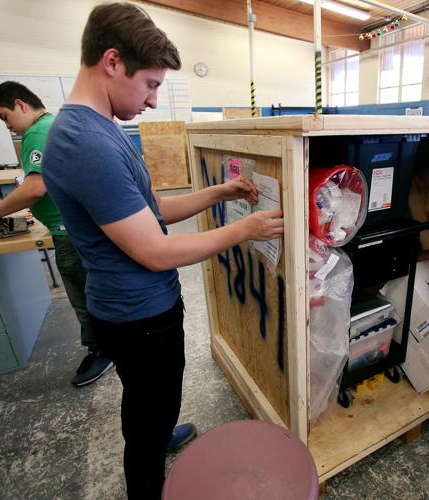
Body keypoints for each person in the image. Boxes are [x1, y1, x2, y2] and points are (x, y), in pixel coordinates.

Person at [41, 3, 284, 499]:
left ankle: (157, 426)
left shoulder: (105, 128)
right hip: (138, 318)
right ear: (111, 61)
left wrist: (218, 192)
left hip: (141, 311)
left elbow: (151, 213)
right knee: (146, 422)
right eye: (150, 84)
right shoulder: (86, 143)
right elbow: (154, 250)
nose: (153, 101)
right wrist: (245, 230)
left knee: (151, 402)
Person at [0, 81, 113, 387]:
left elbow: (36, 187)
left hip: (69, 232)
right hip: (72, 226)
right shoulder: (52, 125)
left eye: (5, 116)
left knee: (82, 297)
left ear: (21, 104)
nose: (8, 126)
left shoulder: (38, 132)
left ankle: (101, 351)